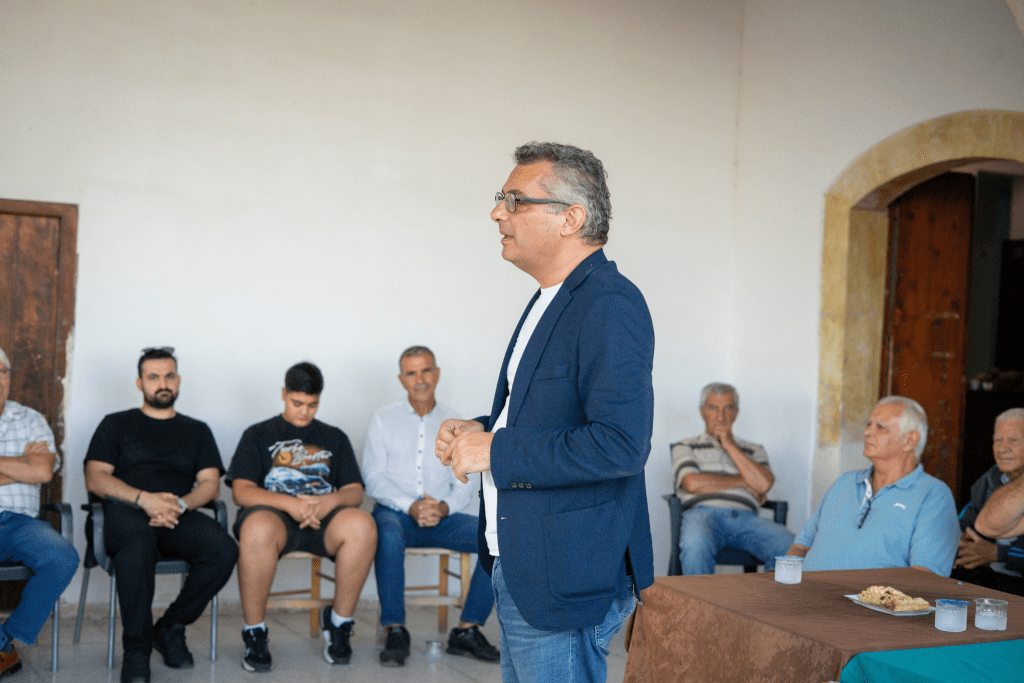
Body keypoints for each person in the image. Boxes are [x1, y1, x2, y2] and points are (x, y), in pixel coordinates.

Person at [436, 142, 655, 682]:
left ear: (571, 219)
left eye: (515, 200)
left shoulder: (609, 302)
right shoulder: (551, 297)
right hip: (527, 562)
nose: (497, 213)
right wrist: (481, 429)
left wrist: (495, 449)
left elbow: (621, 444)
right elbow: (548, 416)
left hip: (566, 572)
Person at [84, 347, 238, 683]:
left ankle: (169, 627)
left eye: (169, 376)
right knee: (137, 545)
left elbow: (210, 484)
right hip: (126, 513)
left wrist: (179, 505)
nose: (162, 383)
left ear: (178, 380)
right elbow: (96, 478)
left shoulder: (197, 430)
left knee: (223, 549)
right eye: (153, 377)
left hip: (177, 514)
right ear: (140, 383)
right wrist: (145, 500)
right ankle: (137, 651)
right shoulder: (116, 424)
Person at [227, 362, 376, 673]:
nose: (304, 412)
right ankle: (254, 632)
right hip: (275, 520)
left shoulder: (334, 437)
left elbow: (354, 491)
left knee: (363, 525)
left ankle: (339, 623)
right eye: (297, 403)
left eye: (312, 405)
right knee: (256, 528)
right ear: (284, 394)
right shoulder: (258, 434)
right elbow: (241, 491)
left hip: (324, 521)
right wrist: (290, 504)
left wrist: (327, 502)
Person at [363, 346, 498, 667]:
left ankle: (467, 629)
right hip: (395, 515)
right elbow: (373, 478)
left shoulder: (455, 422)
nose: (420, 379)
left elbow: (464, 480)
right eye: (411, 373)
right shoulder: (383, 419)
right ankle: (395, 629)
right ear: (402, 379)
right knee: (387, 535)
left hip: (443, 518)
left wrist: (444, 508)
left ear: (436, 374)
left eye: (425, 370)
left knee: (497, 535)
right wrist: (411, 506)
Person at [787, 395, 959, 575]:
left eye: (880, 427)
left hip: (868, 595)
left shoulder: (933, 496)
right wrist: (787, 583)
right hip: (808, 590)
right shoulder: (845, 482)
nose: (867, 432)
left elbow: (925, 575)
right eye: (869, 424)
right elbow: (800, 546)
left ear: (910, 440)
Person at [0, 347, 79, 678]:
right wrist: (22, 466)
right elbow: (32, 469)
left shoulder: (30, 419)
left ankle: (4, 641)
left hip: (20, 523)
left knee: (62, 557)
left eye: (2, 371)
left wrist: (31, 468)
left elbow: (43, 472)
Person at [670, 382, 794, 575]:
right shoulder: (685, 446)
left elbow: (763, 484)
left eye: (728, 408)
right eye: (713, 408)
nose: (721, 416)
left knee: (791, 545)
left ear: (736, 413)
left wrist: (729, 445)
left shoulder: (754, 450)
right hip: (703, 516)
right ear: (702, 412)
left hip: (747, 519)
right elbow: (691, 483)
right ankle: (699, 597)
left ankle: (767, 595)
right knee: (695, 543)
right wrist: (745, 481)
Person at [958, 408, 1024, 595]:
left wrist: (999, 553)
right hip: (988, 580)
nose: (1002, 448)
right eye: (997, 440)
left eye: (1014, 440)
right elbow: (968, 518)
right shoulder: (990, 479)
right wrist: (961, 538)